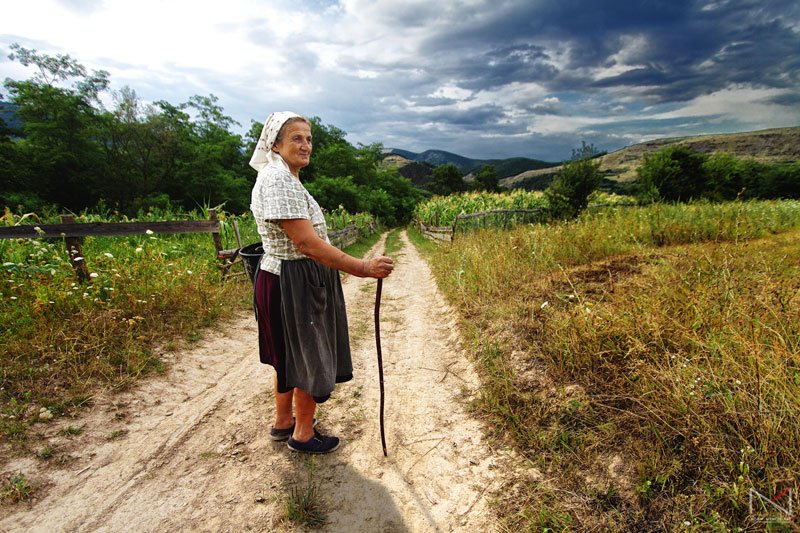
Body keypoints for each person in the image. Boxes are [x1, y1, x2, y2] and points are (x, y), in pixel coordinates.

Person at [249, 112, 393, 454]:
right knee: (309, 357)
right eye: (296, 138)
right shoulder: (279, 179)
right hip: (294, 281)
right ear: (276, 144)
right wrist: (362, 266)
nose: (305, 145)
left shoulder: (282, 176)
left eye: (309, 139)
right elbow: (307, 244)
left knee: (288, 356)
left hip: (281, 277)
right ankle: (302, 435)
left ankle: (284, 422)